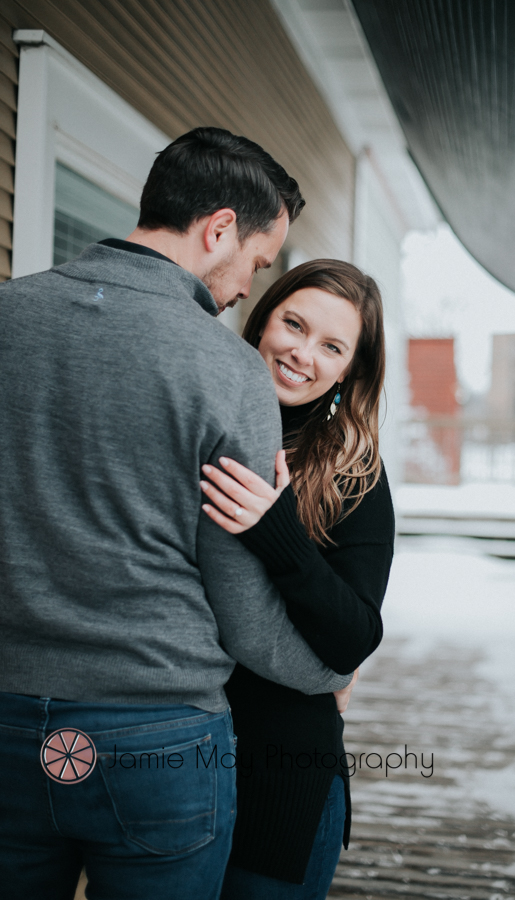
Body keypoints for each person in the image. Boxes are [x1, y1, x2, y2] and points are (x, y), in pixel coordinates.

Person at [0, 128, 353, 900]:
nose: (241, 289)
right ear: (219, 228)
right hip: (154, 739)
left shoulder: (8, 315)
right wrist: (327, 668)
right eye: (257, 263)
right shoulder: (226, 368)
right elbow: (240, 608)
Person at [200, 259, 396, 899]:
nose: (301, 354)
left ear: (350, 370)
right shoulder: (198, 412)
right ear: (262, 319)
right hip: (162, 758)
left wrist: (277, 530)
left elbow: (353, 637)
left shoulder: (353, 471)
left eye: (332, 346)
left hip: (284, 775)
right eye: (294, 323)